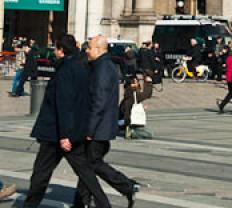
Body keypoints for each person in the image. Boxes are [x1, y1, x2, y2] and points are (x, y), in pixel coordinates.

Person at [23, 34, 111, 208]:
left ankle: (30, 205)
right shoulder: (83, 67)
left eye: (56, 48)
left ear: (61, 51)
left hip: (57, 134)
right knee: (86, 173)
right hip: (76, 131)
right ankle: (104, 204)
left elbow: (64, 104)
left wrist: (64, 135)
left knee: (41, 174)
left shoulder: (65, 70)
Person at [73, 36, 138, 208]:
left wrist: (89, 129)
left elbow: (99, 101)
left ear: (99, 49)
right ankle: (81, 202)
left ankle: (127, 186)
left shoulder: (102, 68)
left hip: (98, 128)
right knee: (86, 167)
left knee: (92, 164)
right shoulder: (103, 65)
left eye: (90, 47)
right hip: (102, 126)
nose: (86, 50)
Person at [120, 74, 153, 139]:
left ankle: (125, 130)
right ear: (132, 85)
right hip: (129, 123)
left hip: (122, 123)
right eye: (136, 82)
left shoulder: (127, 95)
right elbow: (147, 94)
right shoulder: (133, 95)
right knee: (149, 134)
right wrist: (148, 82)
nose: (138, 84)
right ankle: (130, 132)